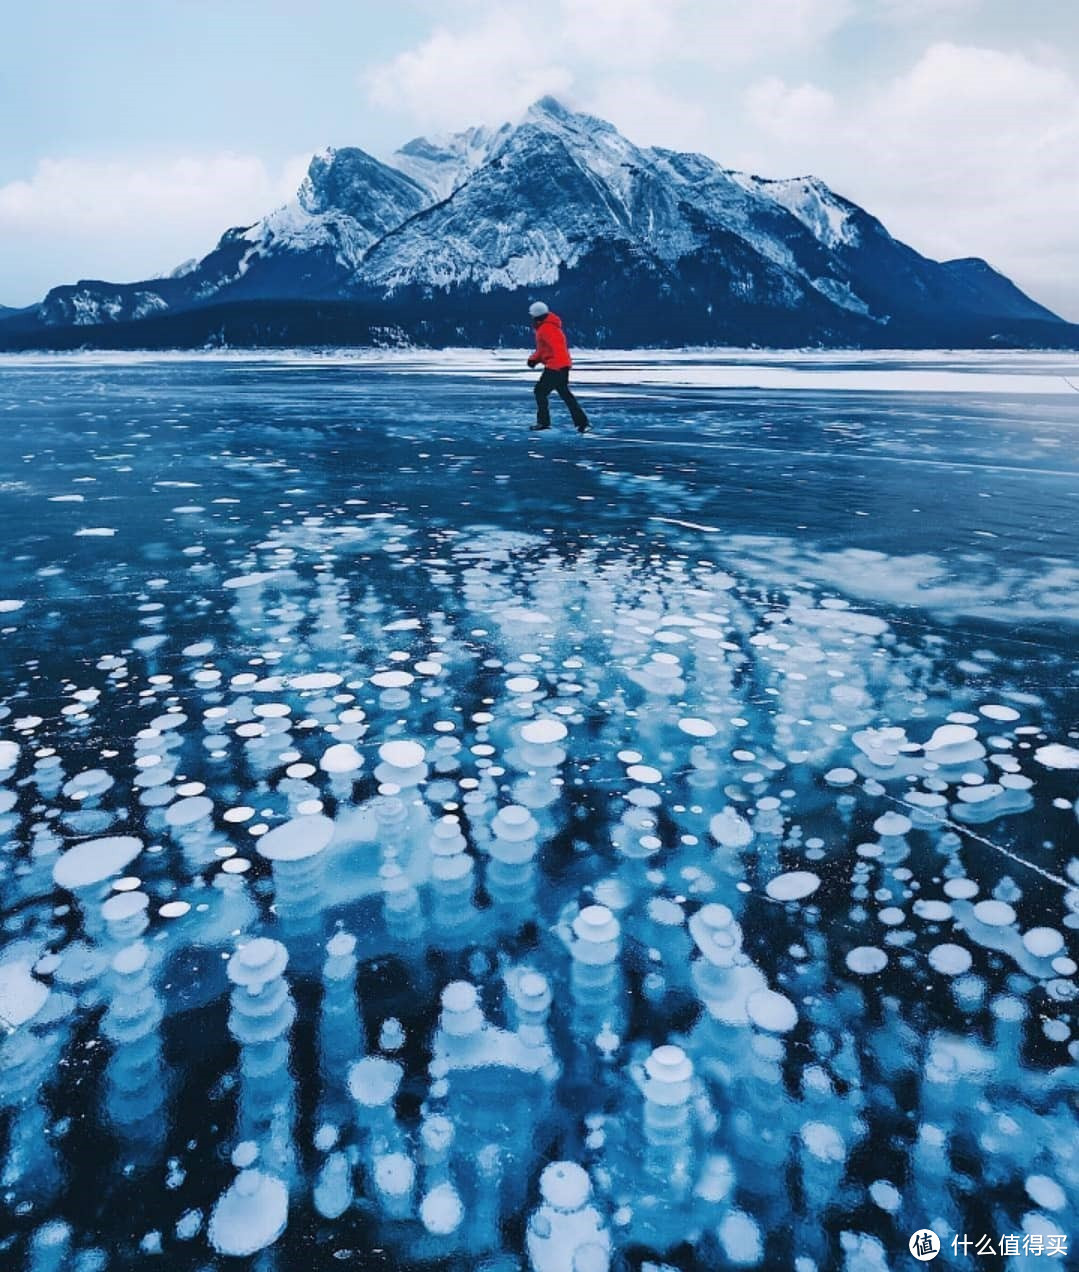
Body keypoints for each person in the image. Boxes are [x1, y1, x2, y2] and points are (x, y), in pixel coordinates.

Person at [526, 301, 590, 433]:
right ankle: (582, 423)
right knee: (565, 394)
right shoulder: (549, 327)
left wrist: (554, 364)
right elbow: (545, 350)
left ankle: (543, 423)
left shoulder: (546, 328)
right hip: (562, 365)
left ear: (536, 316)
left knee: (540, 391)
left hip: (556, 366)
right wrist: (534, 359)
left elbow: (556, 348)